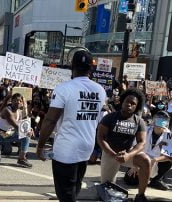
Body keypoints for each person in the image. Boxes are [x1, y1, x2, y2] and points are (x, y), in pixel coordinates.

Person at [36, 48, 106, 202]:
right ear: (91, 68)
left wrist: (40, 146)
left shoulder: (64, 88)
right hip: (86, 145)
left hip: (66, 148)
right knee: (74, 188)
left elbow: (50, 120)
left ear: (71, 66)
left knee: (65, 194)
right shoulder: (100, 90)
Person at [97, 88, 150, 202]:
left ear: (137, 106)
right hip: (110, 153)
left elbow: (142, 142)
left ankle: (141, 195)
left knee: (146, 160)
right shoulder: (110, 117)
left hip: (127, 154)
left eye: (133, 103)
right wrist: (113, 153)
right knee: (106, 190)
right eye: (127, 101)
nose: (129, 105)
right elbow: (101, 137)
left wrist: (129, 155)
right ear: (122, 101)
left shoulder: (139, 121)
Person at [0, 93, 33, 168]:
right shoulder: (7, 111)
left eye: (20, 101)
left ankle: (22, 158)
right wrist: (26, 131)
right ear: (12, 101)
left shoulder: (19, 112)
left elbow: (24, 123)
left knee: (26, 136)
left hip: (6, 134)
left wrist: (29, 129)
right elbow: (17, 126)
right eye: (16, 100)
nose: (18, 102)